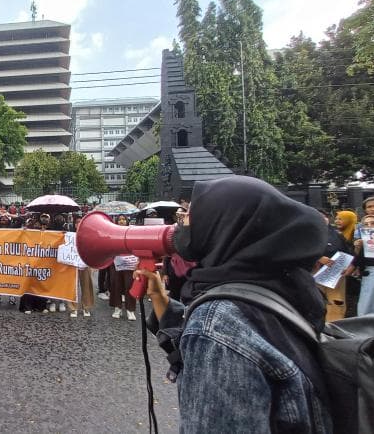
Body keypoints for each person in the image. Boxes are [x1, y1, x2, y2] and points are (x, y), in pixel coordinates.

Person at [137, 176, 331, 433]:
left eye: (190, 214)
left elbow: (220, 335)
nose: (182, 222)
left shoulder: (216, 323)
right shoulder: (282, 287)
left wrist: (202, 324)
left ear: (224, 225)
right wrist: (161, 301)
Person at [109, 214, 137, 321]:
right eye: (119, 219)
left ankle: (130, 310)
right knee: (116, 285)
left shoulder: (132, 231)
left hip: (129, 264)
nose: (121, 221)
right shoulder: (113, 232)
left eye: (123, 219)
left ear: (127, 221)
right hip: (116, 263)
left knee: (129, 285)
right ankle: (118, 308)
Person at [67, 214, 93, 317]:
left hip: (84, 264)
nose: (79, 224)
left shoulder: (89, 236)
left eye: (81, 222)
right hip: (73, 264)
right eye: (77, 222)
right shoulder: (70, 235)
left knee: (86, 286)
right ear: (74, 224)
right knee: (72, 287)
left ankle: (86, 307)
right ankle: (73, 308)